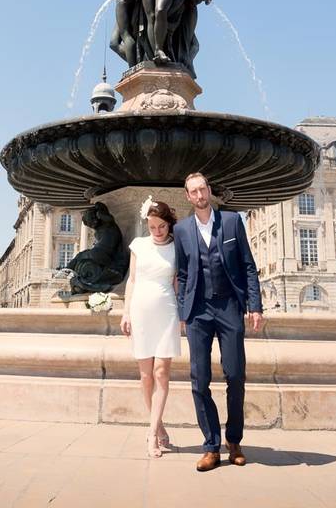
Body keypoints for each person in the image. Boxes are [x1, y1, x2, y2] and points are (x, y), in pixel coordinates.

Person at [173, 173, 261, 472]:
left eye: (202, 189)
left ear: (209, 191)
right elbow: (183, 274)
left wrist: (255, 306)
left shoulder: (233, 221)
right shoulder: (181, 229)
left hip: (229, 306)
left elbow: (248, 266)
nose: (199, 195)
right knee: (199, 379)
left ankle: (234, 440)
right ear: (188, 196)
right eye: (193, 191)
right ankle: (211, 445)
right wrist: (183, 311)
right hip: (198, 310)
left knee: (235, 375)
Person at [120, 197, 181, 458]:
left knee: (161, 373)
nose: (156, 232)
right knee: (145, 377)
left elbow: (177, 283)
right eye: (152, 227)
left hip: (166, 311)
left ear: (169, 224)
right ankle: (160, 426)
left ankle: (152, 434)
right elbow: (132, 281)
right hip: (141, 312)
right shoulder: (139, 245)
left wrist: (182, 315)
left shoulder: (178, 249)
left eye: (161, 227)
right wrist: (125, 312)